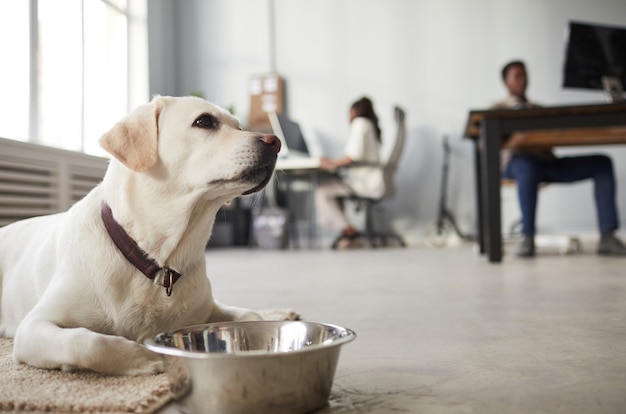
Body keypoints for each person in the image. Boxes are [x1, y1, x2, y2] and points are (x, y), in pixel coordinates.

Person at [493, 60, 626, 257]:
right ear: (506, 82)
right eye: (517, 76)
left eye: (525, 75)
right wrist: (517, 140)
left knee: (602, 163)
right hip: (516, 164)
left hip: (547, 162)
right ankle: (527, 237)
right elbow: (486, 145)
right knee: (527, 166)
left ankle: (608, 235)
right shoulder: (497, 109)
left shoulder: (539, 109)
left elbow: (553, 138)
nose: (523, 80)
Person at [315, 96, 384, 245]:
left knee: (322, 191)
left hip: (364, 182)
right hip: (370, 179)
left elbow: (352, 157)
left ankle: (347, 230)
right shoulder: (370, 125)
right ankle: (347, 232)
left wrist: (329, 162)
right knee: (331, 188)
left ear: (354, 111)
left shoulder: (360, 123)